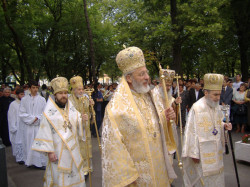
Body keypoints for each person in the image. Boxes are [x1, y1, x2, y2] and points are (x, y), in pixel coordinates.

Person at [102, 46, 177, 186]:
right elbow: (113, 148)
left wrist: (165, 117)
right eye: (141, 74)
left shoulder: (149, 96)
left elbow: (152, 124)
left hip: (159, 167)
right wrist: (128, 179)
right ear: (129, 78)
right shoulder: (116, 109)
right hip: (138, 177)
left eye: (146, 73)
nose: (147, 77)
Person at [32, 77, 86, 187]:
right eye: (60, 93)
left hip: (73, 151)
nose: (63, 95)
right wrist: (50, 152)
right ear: (55, 95)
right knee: (60, 178)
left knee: (75, 175)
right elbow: (45, 132)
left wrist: (83, 120)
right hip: (58, 153)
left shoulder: (71, 108)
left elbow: (78, 123)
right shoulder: (48, 112)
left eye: (65, 93)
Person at [182, 73, 232, 187]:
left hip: (216, 152)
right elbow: (191, 131)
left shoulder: (216, 105)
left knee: (216, 178)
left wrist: (224, 125)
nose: (218, 98)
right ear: (206, 93)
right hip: (201, 154)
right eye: (215, 95)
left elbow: (217, 122)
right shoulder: (197, 108)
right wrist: (193, 153)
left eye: (219, 94)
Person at [68, 76, 93, 177]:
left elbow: (90, 115)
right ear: (74, 90)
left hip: (85, 129)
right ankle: (79, 168)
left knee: (86, 149)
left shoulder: (86, 99)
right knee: (77, 149)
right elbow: (68, 116)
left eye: (82, 89)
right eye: (79, 89)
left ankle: (87, 167)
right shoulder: (69, 101)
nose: (81, 91)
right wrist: (79, 118)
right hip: (75, 130)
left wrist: (91, 108)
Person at [19, 80, 47, 168]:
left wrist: (38, 118)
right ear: (29, 88)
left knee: (39, 145)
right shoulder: (24, 100)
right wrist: (32, 119)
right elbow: (22, 113)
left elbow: (45, 112)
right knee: (29, 144)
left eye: (36, 88)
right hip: (29, 127)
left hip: (38, 126)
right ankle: (30, 162)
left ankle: (40, 163)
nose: (35, 89)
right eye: (33, 88)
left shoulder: (42, 100)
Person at [7, 88, 25, 164]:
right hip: (17, 126)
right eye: (21, 94)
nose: (23, 96)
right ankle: (19, 158)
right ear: (17, 95)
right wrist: (13, 127)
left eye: (23, 94)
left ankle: (25, 157)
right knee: (18, 142)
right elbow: (11, 116)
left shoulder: (25, 103)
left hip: (24, 125)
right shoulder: (13, 104)